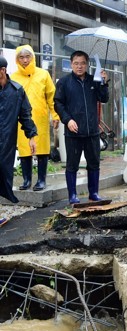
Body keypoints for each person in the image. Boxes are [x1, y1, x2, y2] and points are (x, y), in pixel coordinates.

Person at [54, 51, 109, 204]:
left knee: (94, 163)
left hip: (92, 131)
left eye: (83, 63)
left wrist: (104, 82)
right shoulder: (64, 83)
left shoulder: (94, 80)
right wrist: (68, 120)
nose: (79, 66)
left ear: (87, 64)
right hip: (73, 132)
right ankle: (72, 195)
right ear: (71, 64)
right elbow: (58, 104)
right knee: (72, 164)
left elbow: (104, 98)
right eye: (76, 63)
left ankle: (94, 194)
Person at [11, 45, 60, 192]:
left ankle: (41, 180)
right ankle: (26, 180)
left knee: (42, 149)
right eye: (21, 57)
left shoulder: (43, 74)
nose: (25, 60)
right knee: (24, 149)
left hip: (41, 118)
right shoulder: (13, 77)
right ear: (17, 59)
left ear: (33, 57)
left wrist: (55, 115)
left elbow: (51, 96)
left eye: (28, 57)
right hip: (21, 120)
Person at [0, 56, 37, 226]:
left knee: (3, 175)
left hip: (6, 142)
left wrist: (31, 137)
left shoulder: (16, 91)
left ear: (3, 70)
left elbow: (25, 116)